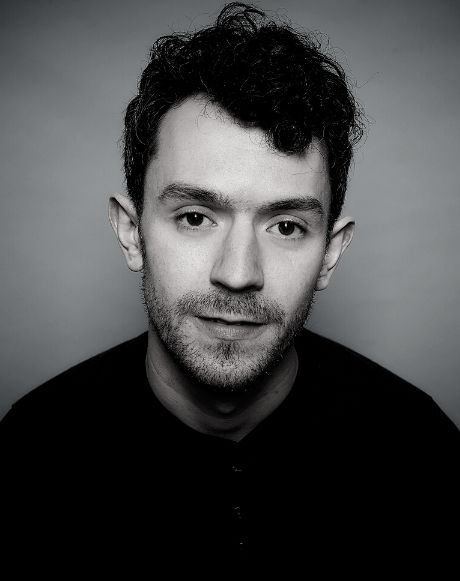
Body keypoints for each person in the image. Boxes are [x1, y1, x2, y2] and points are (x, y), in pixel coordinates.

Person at [1, 2, 459, 575]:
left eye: (286, 226)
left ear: (330, 253)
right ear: (131, 232)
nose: (238, 273)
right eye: (195, 217)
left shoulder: (421, 448)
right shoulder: (29, 452)